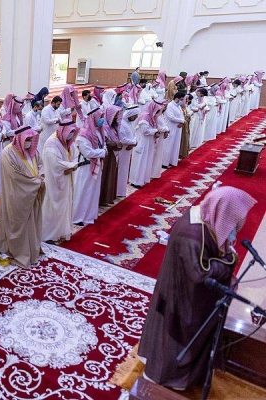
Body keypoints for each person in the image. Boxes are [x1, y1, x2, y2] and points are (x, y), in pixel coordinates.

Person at [138, 186, 256, 392]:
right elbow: (199, 272)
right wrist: (229, 260)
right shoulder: (190, 235)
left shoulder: (205, 218)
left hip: (185, 291)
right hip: (180, 297)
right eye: (231, 223)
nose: (233, 229)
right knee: (174, 341)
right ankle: (170, 378)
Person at [0, 126, 45, 267]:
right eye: (27, 140)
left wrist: (41, 177)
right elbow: (15, 176)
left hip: (32, 192)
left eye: (32, 139)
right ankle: (19, 253)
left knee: (33, 223)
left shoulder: (33, 152)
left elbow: (41, 165)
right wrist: (36, 182)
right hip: (17, 195)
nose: (30, 143)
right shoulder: (8, 153)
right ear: (19, 139)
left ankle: (32, 250)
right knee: (18, 224)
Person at [42, 121, 79, 242]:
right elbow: (54, 163)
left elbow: (74, 154)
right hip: (54, 180)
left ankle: (61, 231)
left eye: (73, 132)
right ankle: (49, 235)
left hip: (66, 178)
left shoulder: (67, 141)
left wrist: (72, 166)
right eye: (70, 132)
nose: (71, 135)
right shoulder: (51, 143)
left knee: (65, 204)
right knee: (53, 206)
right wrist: (70, 166)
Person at [72, 108, 107, 225]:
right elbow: (88, 153)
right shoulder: (83, 134)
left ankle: (89, 215)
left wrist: (103, 150)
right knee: (83, 192)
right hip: (85, 166)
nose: (101, 119)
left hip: (96, 164)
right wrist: (102, 153)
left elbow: (103, 144)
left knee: (93, 191)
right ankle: (78, 217)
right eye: (100, 117)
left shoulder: (98, 131)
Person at [129, 101, 163, 189]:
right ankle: (136, 181)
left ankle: (142, 179)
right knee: (140, 161)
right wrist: (155, 131)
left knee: (146, 161)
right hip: (143, 142)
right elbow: (145, 131)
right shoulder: (145, 117)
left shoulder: (151, 117)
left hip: (149, 142)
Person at [99, 105, 122, 206]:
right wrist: (117, 144)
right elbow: (106, 142)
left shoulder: (114, 127)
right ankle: (102, 199)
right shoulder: (104, 128)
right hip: (107, 155)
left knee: (112, 175)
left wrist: (117, 144)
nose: (116, 118)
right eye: (115, 115)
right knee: (106, 176)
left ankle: (109, 198)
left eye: (117, 115)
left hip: (114, 154)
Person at [116, 106, 139, 197]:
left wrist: (134, 142)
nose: (136, 117)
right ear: (130, 114)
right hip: (122, 150)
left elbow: (134, 134)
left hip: (128, 150)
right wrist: (134, 142)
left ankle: (121, 191)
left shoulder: (129, 123)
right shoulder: (122, 124)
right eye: (135, 115)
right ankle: (118, 191)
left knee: (125, 170)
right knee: (120, 170)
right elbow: (123, 139)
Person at [162, 92, 186, 168]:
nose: (182, 101)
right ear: (177, 98)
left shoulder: (178, 106)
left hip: (177, 128)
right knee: (168, 145)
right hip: (171, 127)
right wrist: (182, 121)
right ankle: (164, 162)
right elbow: (171, 117)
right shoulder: (170, 106)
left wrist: (182, 122)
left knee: (175, 145)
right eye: (181, 99)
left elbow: (182, 115)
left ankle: (172, 161)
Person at [180, 95, 193, 159]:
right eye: (186, 99)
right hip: (181, 125)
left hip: (186, 125)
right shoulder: (180, 107)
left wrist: (188, 115)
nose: (187, 101)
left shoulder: (185, 106)